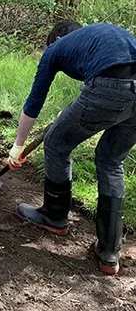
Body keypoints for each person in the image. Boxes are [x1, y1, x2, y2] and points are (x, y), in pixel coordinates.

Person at [8, 20, 136, 275]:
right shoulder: (100, 36)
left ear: (55, 40)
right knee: (111, 161)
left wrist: (18, 145)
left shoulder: (57, 48)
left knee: (56, 144)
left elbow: (35, 101)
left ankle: (54, 217)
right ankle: (109, 252)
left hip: (110, 87)